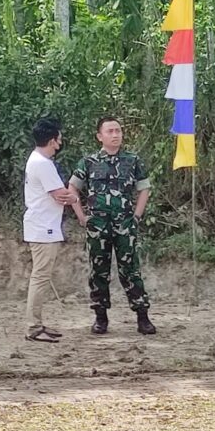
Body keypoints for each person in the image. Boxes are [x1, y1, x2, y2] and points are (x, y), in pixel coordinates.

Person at [68, 117, 156, 335]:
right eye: (110, 131)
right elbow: (72, 187)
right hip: (97, 226)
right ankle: (100, 317)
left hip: (125, 224)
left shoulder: (132, 160)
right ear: (100, 136)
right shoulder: (88, 161)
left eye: (118, 130)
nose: (115, 134)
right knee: (99, 271)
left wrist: (136, 216)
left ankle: (142, 317)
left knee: (131, 270)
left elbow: (144, 188)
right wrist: (81, 216)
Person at [23, 118, 80, 343]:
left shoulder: (37, 160)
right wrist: (75, 197)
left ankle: (36, 323)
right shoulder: (43, 164)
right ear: (52, 140)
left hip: (43, 226)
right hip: (43, 227)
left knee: (41, 277)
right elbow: (61, 195)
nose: (61, 142)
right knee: (40, 277)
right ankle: (33, 327)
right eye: (59, 138)